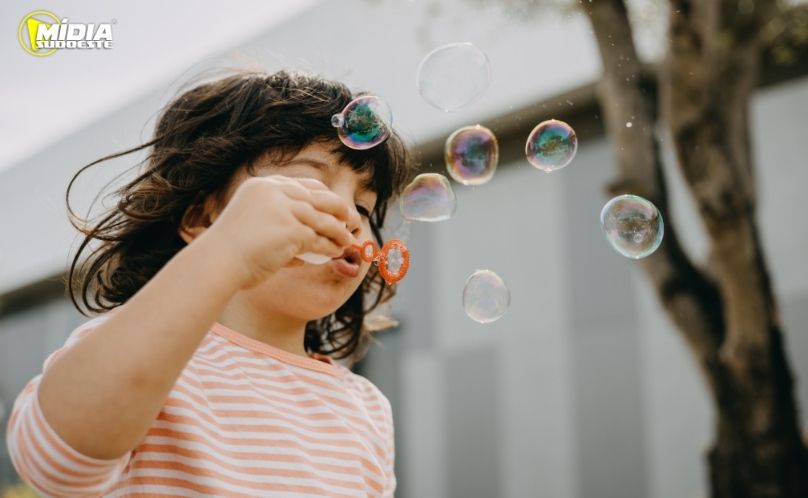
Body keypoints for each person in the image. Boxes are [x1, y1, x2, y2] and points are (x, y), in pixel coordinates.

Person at [5, 69, 413, 497]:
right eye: (310, 187)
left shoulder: (366, 408)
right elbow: (54, 462)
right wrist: (227, 252)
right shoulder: (148, 348)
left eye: (364, 210)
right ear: (204, 219)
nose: (349, 217)